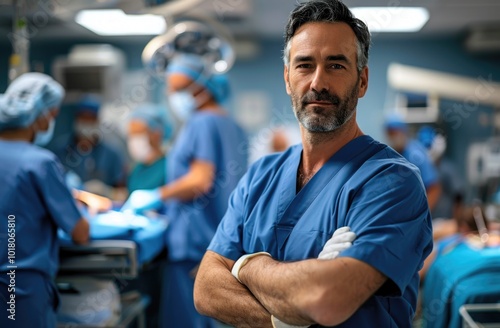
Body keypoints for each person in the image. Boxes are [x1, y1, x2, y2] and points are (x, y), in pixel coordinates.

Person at [193, 1, 433, 327]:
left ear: (362, 81)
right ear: (288, 78)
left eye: (336, 65)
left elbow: (326, 300)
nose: (318, 82)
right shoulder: (260, 177)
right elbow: (206, 290)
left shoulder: (391, 182)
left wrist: (247, 266)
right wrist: (284, 320)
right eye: (305, 65)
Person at [122, 53, 249, 327]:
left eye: (177, 89)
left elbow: (200, 180)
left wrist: (157, 196)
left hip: (195, 244)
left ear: (201, 88)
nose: (171, 95)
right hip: (221, 240)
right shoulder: (232, 125)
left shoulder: (201, 123)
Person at [0, 72, 90, 327]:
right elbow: (79, 232)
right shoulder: (39, 162)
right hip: (19, 286)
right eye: (52, 115)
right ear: (38, 116)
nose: (51, 121)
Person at [55, 94, 127, 196]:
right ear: (76, 119)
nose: (87, 123)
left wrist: (107, 192)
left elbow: (122, 192)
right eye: (83, 118)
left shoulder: (111, 153)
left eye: (91, 118)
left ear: (98, 120)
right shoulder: (62, 150)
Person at [384, 113, 442, 212]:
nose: (393, 137)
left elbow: (433, 188)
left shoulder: (415, 155)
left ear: (403, 132)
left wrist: (422, 214)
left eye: (395, 133)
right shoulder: (391, 155)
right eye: (390, 134)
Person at [417, 125, 464, 220]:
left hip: (446, 221)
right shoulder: (420, 169)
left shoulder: (446, 169)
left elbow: (458, 195)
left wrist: (457, 221)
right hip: (430, 221)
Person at [127, 103, 170, 193]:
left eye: (139, 134)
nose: (134, 140)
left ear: (157, 134)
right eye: (131, 135)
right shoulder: (137, 169)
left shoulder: (169, 167)